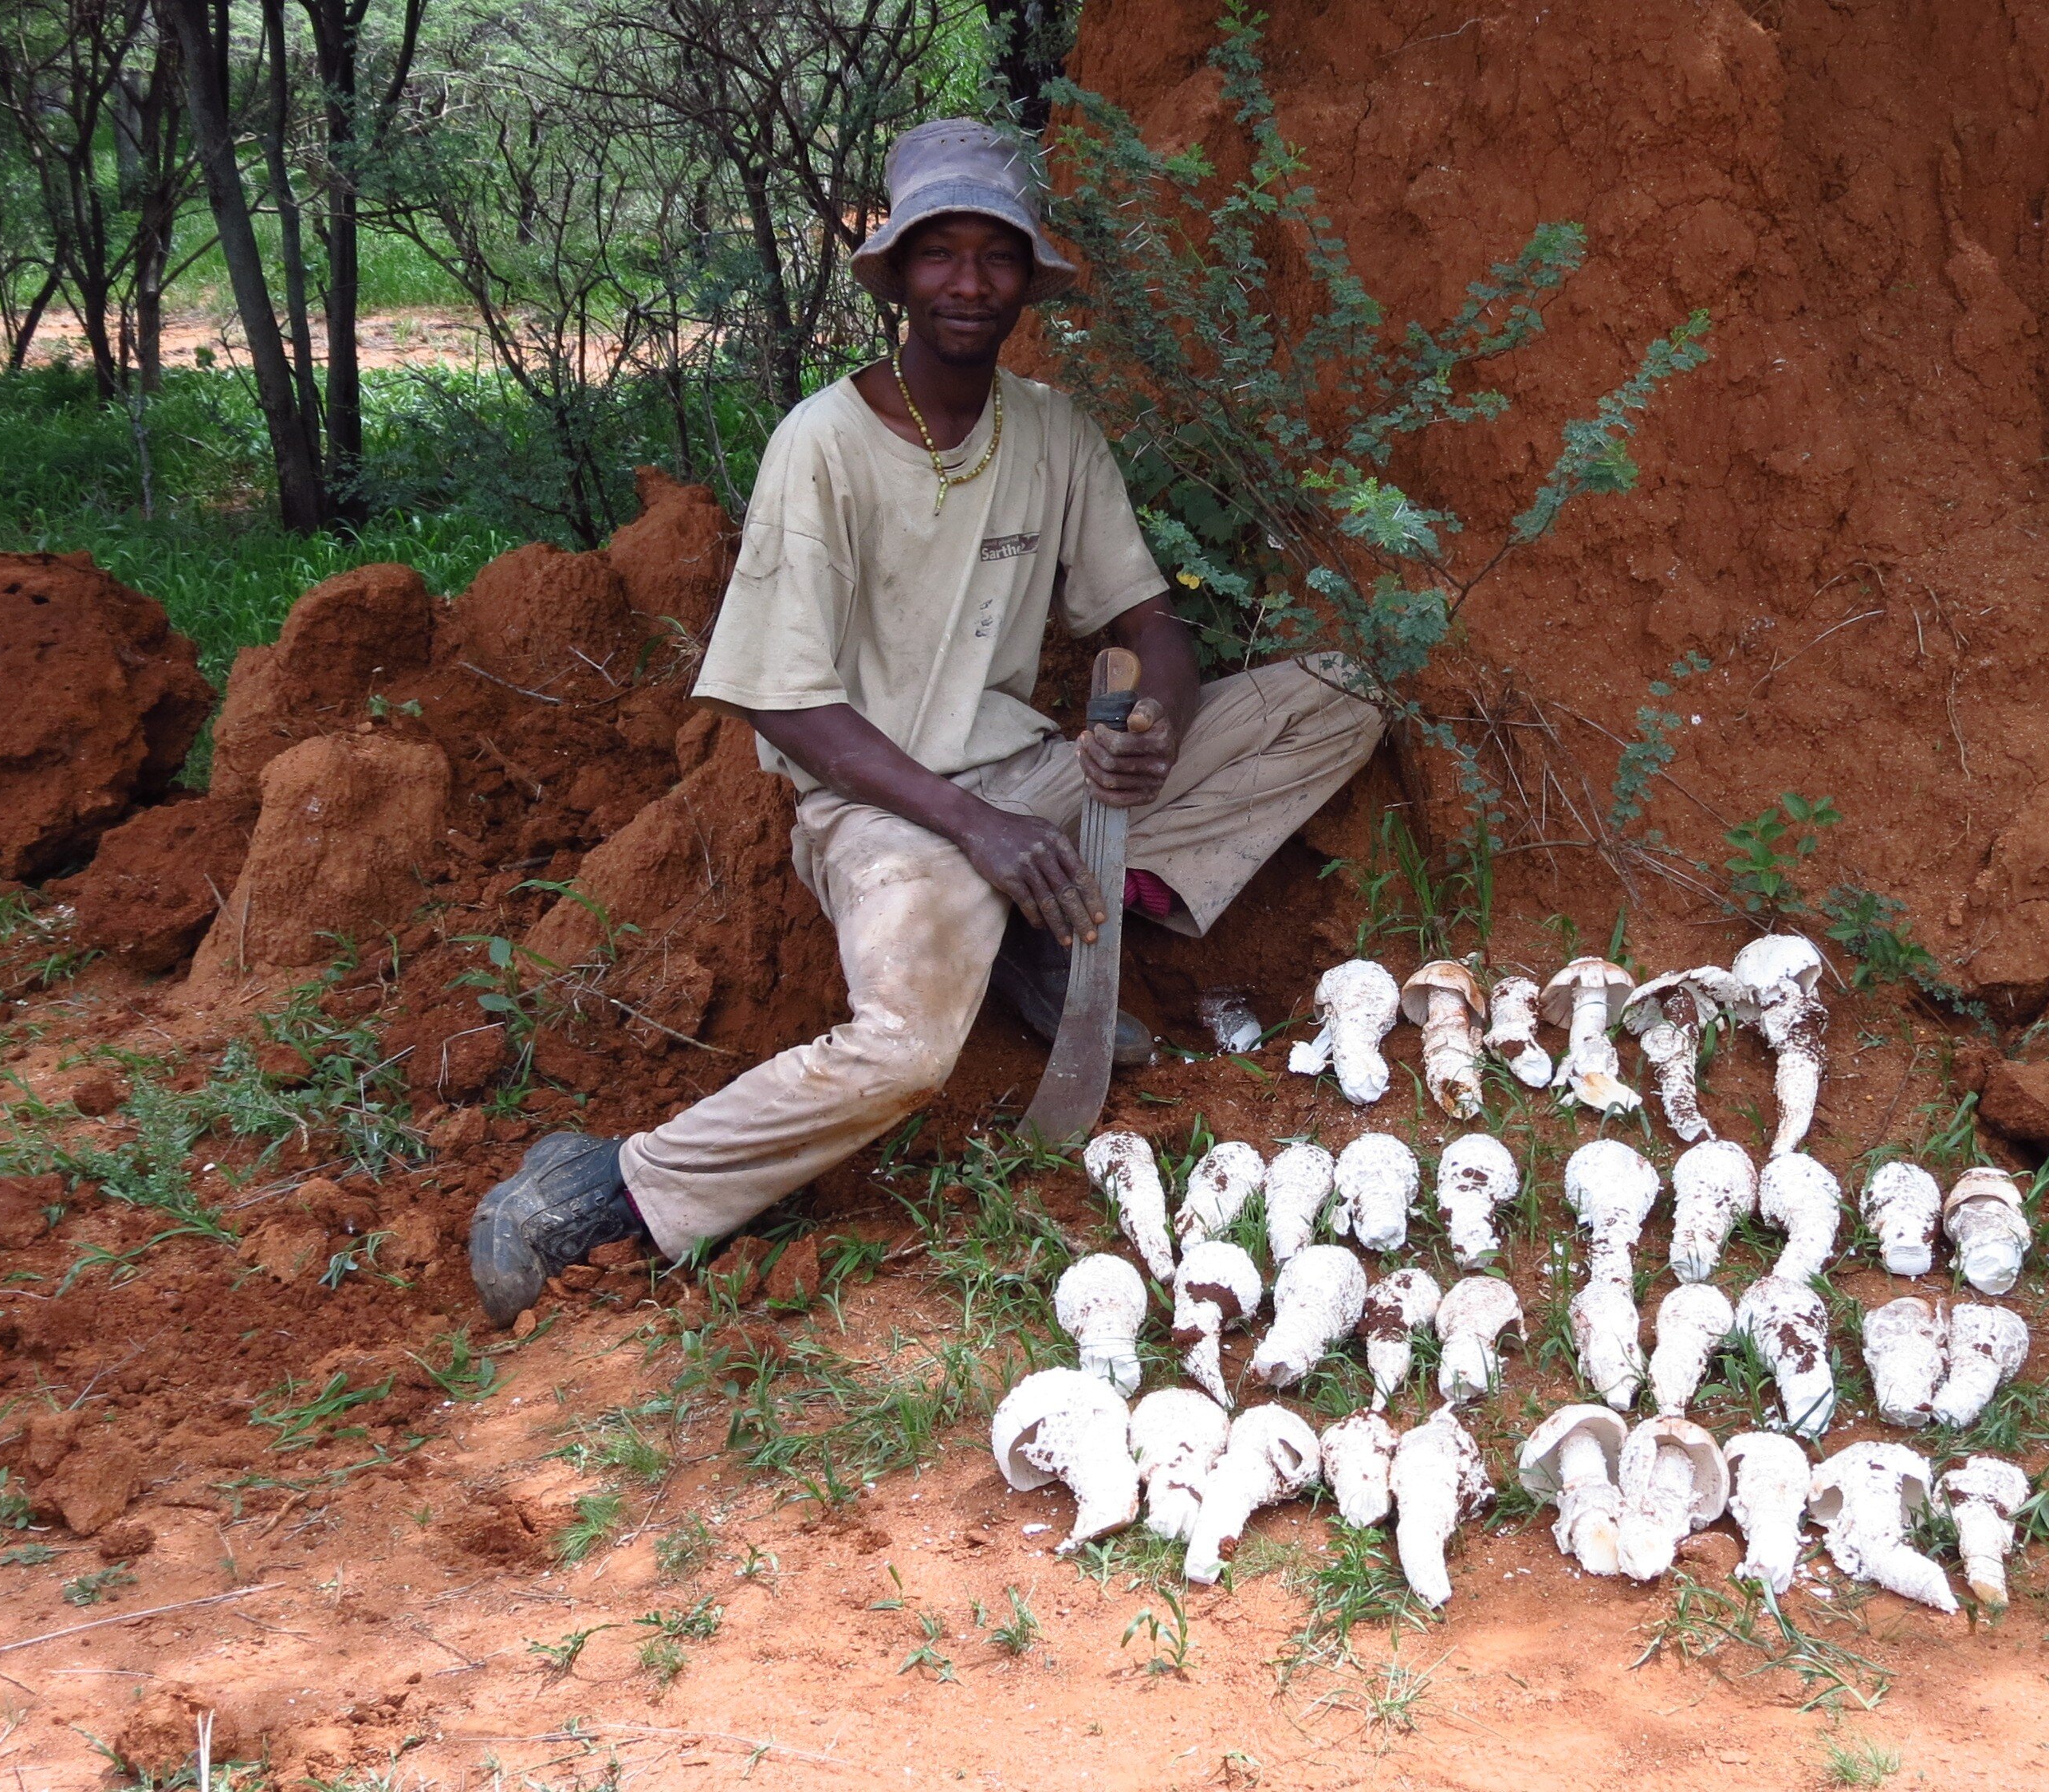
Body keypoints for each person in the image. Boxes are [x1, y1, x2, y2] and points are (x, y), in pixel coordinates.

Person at [466, 119, 1385, 1323]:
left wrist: (1152, 716)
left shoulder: (1052, 431)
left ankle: (1070, 923)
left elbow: (1155, 623)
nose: (967, 283)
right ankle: (610, 1179)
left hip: (1033, 784)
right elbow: (780, 695)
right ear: (896, 273)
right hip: (881, 812)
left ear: (1025, 280)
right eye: (939, 255)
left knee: (1340, 696)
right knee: (905, 1051)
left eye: (994, 257)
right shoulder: (824, 446)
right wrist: (976, 832)